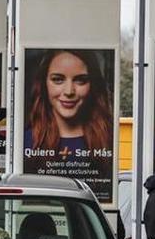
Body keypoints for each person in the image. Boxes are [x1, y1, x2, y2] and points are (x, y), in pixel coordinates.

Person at [23, 49, 114, 201]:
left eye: (80, 80)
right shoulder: (27, 141)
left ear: (93, 85)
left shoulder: (108, 139)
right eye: (58, 79)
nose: (69, 91)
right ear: (44, 84)